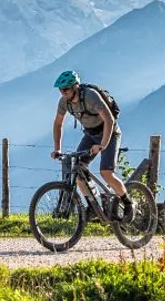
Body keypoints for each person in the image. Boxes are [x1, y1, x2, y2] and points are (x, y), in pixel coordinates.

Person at [51, 70, 132, 216]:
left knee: (106, 173)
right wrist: (57, 149)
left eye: (66, 89)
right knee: (78, 171)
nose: (63, 93)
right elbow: (58, 124)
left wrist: (103, 145)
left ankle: (128, 203)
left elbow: (109, 119)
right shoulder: (64, 102)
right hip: (90, 134)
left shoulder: (90, 96)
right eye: (61, 90)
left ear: (75, 87)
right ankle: (94, 206)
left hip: (110, 133)